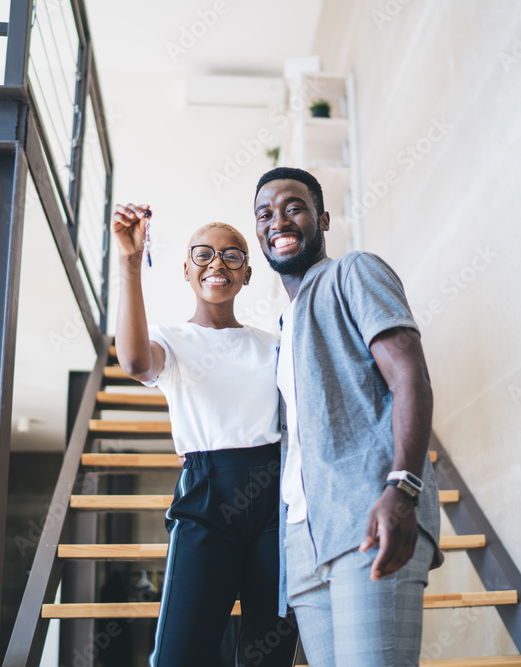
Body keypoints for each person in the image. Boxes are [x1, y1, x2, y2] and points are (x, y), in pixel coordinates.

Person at [253, 167, 444, 666]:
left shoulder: (353, 272)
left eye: (293, 206)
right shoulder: (283, 325)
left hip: (369, 514)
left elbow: (410, 378)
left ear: (322, 218)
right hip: (304, 541)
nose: (279, 220)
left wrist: (402, 489)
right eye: (264, 213)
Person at [111, 204, 297, 667]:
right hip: (206, 491)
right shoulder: (171, 341)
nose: (218, 263)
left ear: (248, 274)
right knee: (180, 652)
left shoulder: (272, 343)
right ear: (188, 270)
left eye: (232, 255)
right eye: (205, 254)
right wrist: (131, 264)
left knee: (268, 650)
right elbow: (134, 363)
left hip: (275, 493)